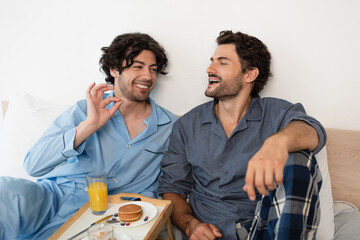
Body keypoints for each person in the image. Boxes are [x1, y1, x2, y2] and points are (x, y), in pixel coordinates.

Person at [0, 33, 178, 239]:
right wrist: (89, 125)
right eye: (137, 66)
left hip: (108, 215)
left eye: (153, 69)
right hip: (52, 200)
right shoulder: (85, 109)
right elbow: (34, 165)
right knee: (5, 191)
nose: (148, 76)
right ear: (114, 69)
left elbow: (169, 185)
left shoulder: (170, 126)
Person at [158, 30, 326, 240]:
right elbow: (172, 189)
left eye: (222, 62)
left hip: (264, 227)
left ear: (250, 74)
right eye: (212, 62)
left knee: (300, 157)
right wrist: (191, 225)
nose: (209, 69)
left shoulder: (275, 112)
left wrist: (278, 142)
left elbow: (313, 131)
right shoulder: (187, 125)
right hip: (211, 231)